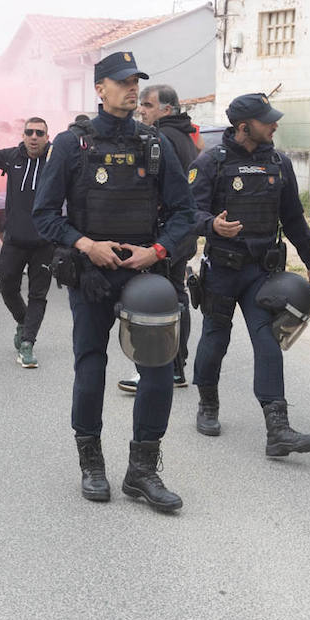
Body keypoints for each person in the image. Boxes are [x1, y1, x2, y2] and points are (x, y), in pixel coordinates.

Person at [33, 51, 195, 512]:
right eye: (122, 82)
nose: (132, 89)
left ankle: (142, 470)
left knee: (159, 369)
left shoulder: (154, 143)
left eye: (136, 82)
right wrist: (86, 244)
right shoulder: (71, 144)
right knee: (91, 369)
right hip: (91, 275)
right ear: (100, 89)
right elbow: (45, 215)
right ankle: (92, 464)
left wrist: (157, 250)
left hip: (143, 274)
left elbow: (184, 212)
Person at [187, 93, 310, 455]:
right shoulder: (211, 162)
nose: (275, 124)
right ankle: (208, 403)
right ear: (244, 127)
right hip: (223, 270)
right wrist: (212, 225)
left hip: (262, 272)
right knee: (216, 338)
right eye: (267, 121)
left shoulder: (279, 162)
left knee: (267, 341)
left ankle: (277, 428)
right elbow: (189, 213)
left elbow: (293, 217)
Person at [118, 83, 199, 391]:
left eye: (148, 105)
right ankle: (175, 366)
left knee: (167, 298)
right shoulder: (183, 134)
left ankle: (167, 365)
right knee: (175, 294)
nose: (142, 110)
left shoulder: (166, 139)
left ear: (166, 109)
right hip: (179, 232)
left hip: (170, 232)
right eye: (141, 104)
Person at [0, 105, 54, 369]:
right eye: (29, 132)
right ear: (24, 134)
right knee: (6, 285)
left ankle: (27, 344)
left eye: (40, 132)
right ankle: (23, 321)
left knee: (38, 295)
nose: (34, 136)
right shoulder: (12, 156)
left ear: (47, 137)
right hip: (15, 238)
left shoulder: (56, 161)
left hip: (45, 242)